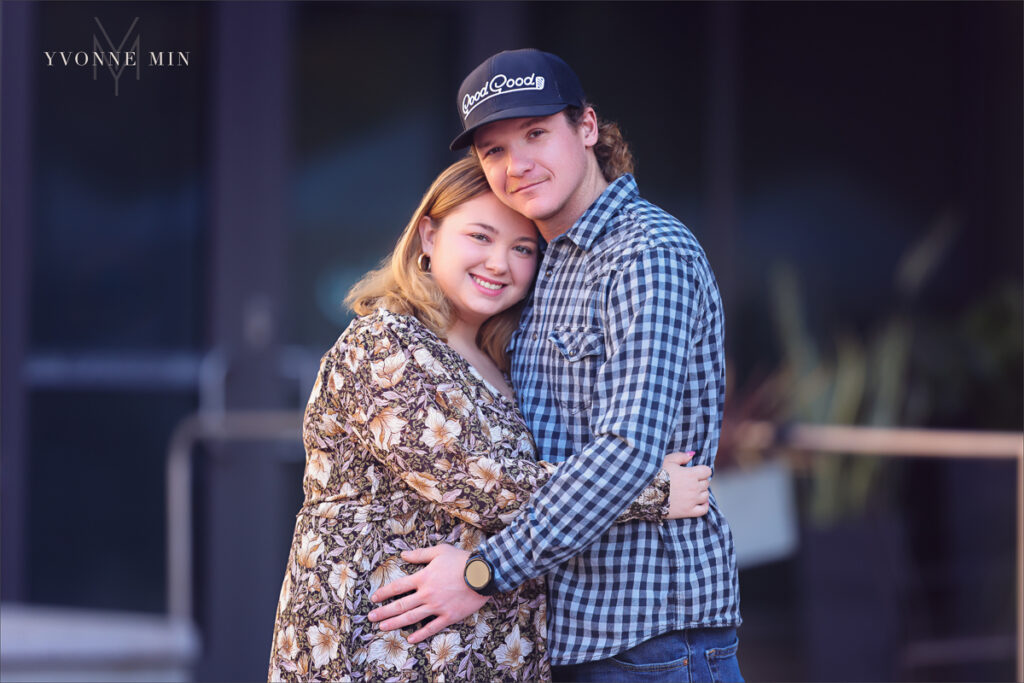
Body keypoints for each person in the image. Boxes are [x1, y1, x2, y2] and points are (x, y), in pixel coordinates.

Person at [368, 49, 743, 682]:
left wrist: (483, 574)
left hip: (649, 639)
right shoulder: (542, 266)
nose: (517, 165)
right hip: (565, 637)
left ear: (588, 128)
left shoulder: (648, 255)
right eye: (493, 151)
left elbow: (626, 450)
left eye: (536, 133)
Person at [266, 156, 714, 682]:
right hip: (380, 648)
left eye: (522, 249)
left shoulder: (502, 361)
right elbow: (481, 481)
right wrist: (650, 490)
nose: (499, 263)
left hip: (476, 655)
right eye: (480, 236)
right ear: (429, 236)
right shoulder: (382, 341)